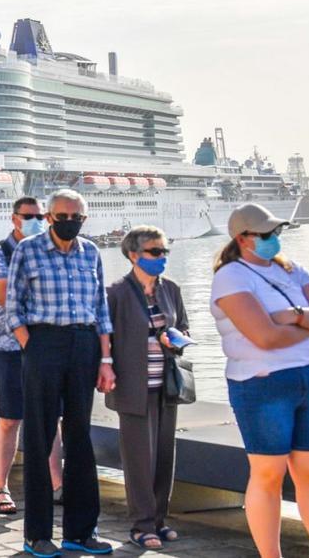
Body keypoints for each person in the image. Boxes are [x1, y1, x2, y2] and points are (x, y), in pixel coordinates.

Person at [211, 203, 309, 558]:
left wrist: (291, 316)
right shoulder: (231, 276)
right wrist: (308, 327)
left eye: (276, 232)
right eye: (266, 234)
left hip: (305, 381)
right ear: (243, 238)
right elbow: (263, 337)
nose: (274, 239)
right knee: (268, 475)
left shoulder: (293, 269)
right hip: (260, 384)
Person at [6, 189, 116, 557]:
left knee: (80, 436)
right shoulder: (28, 249)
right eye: (63, 216)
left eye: (77, 217)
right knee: (39, 437)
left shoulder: (92, 252)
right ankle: (37, 533)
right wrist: (30, 344)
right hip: (44, 343)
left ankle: (81, 531)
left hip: (84, 345)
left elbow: (101, 309)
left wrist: (105, 359)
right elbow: (13, 306)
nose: (70, 222)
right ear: (49, 217)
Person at [0, 197, 64, 514]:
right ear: (14, 218)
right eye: (30, 216)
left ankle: (58, 484)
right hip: (11, 349)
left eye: (42, 216)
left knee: (51, 417)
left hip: (47, 349)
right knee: (10, 418)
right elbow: (6, 295)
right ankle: (0, 487)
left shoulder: (51, 250)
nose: (37, 220)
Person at [105, 226, 188, 548]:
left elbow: (183, 325)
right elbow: (104, 339)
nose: (162, 257)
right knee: (140, 458)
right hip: (133, 388)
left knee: (165, 455)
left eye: (165, 251)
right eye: (155, 252)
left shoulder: (172, 290)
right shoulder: (116, 293)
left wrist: (175, 338)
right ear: (134, 255)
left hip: (167, 385)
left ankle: (159, 519)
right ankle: (141, 525)